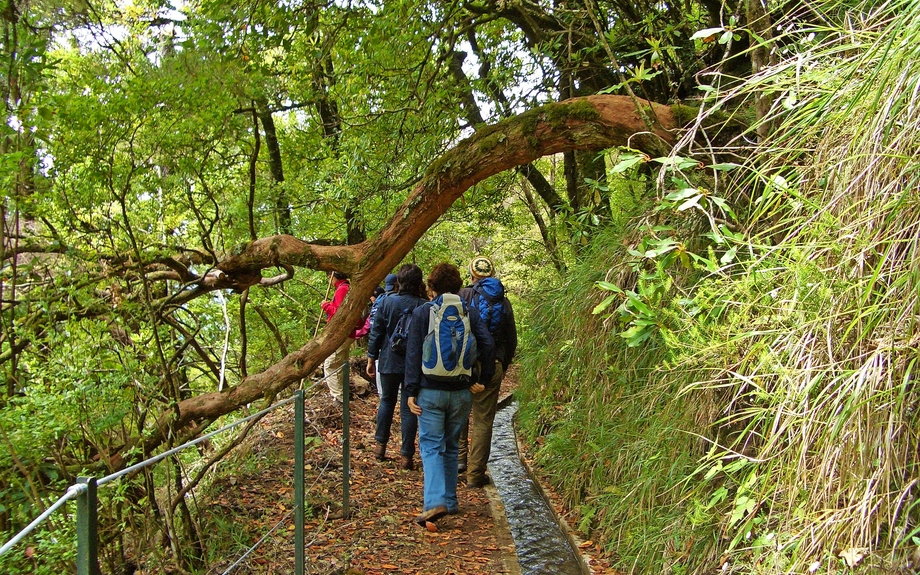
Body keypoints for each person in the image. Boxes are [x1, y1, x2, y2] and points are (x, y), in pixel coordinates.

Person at [406, 263, 494, 526]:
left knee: (431, 445)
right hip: (461, 393)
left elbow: (413, 352)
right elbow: (487, 344)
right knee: (451, 445)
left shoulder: (424, 312)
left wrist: (410, 391)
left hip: (430, 391)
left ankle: (435, 502)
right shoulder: (470, 312)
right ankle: (451, 501)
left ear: (431, 287)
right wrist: (482, 379)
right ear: (458, 286)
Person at [458, 256, 517, 488]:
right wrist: (503, 365)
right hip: (493, 365)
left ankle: (459, 461)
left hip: (464, 364)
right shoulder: (504, 302)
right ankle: (475, 475)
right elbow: (511, 339)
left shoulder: (463, 295)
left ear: (471, 274)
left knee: (460, 412)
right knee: (483, 421)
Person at [366, 265, 428, 469]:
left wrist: (371, 357)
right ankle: (406, 456)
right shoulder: (424, 306)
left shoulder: (386, 302)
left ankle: (380, 445)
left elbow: (376, 332)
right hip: (415, 364)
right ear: (419, 282)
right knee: (409, 407)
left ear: (398, 282)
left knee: (386, 400)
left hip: (389, 360)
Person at [320, 271, 352, 405]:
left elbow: (339, 313)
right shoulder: (348, 288)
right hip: (348, 332)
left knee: (330, 364)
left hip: (341, 333)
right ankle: (343, 394)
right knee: (341, 362)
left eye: (330, 277)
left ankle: (339, 398)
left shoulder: (342, 289)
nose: (329, 279)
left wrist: (326, 306)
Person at [369, 274, 398, 395]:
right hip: (395, 348)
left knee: (385, 396)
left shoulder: (379, 302)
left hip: (382, 349)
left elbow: (374, 331)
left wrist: (371, 356)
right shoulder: (397, 301)